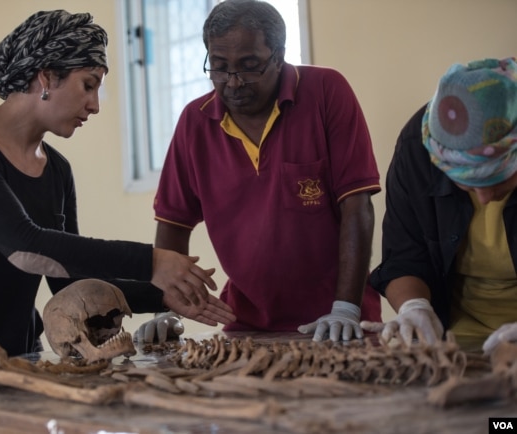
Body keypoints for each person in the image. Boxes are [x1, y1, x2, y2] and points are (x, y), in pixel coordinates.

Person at [0, 10, 235, 368]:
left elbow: (66, 278)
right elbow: (24, 246)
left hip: (16, 349)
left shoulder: (57, 170)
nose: (95, 105)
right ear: (46, 77)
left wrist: (163, 297)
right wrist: (150, 261)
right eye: (88, 85)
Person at [152, 0, 382, 342]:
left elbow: (357, 207)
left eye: (249, 66)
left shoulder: (326, 92)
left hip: (337, 322)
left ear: (278, 56)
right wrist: (167, 310)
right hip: (247, 325)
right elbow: (172, 225)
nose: (232, 82)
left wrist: (345, 308)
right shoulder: (194, 123)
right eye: (219, 66)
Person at [362, 57, 517, 355]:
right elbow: (405, 255)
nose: (484, 198)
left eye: (497, 181)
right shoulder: (417, 149)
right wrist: (413, 306)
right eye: (468, 184)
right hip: (456, 339)